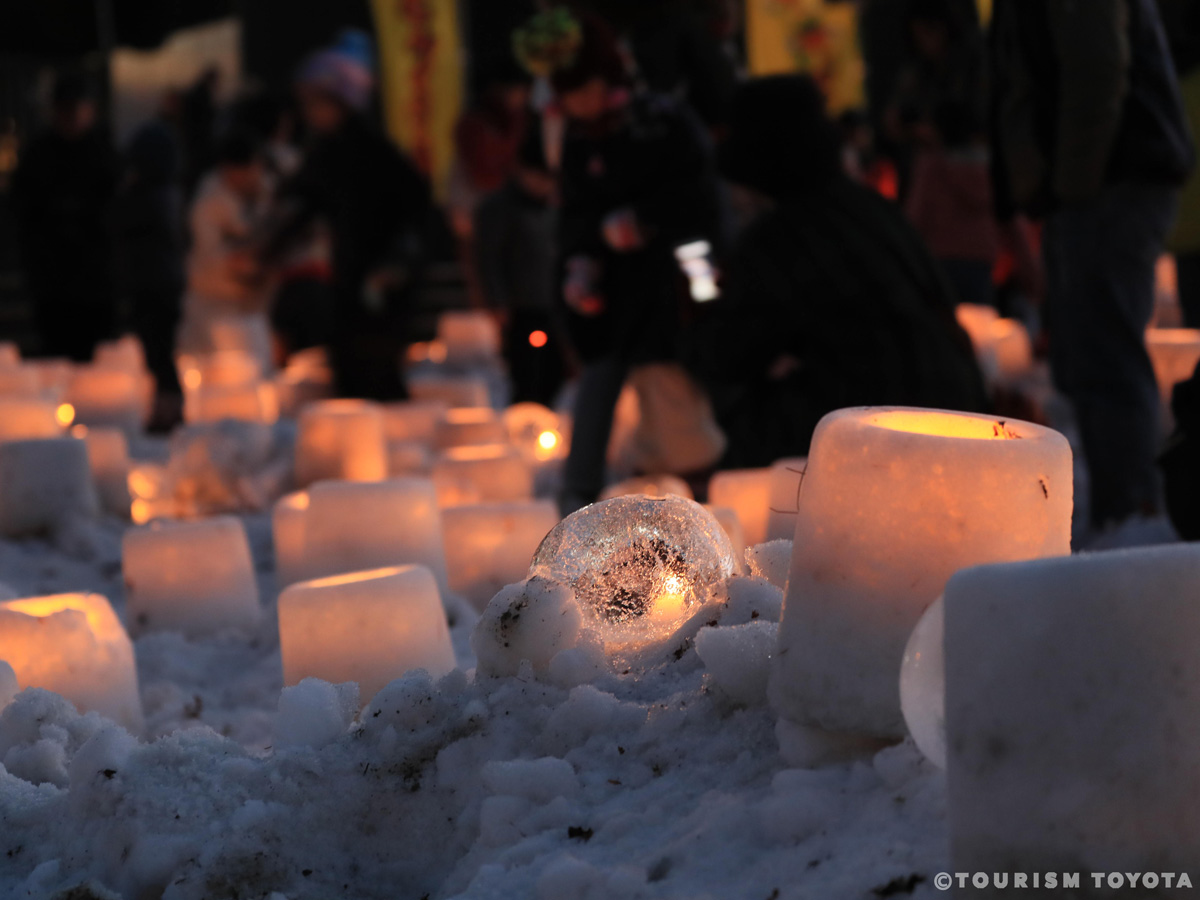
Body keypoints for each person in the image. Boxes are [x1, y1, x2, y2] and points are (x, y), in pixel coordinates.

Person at [689, 75, 989, 468]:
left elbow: (728, 353)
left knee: (738, 420)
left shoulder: (782, 235)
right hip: (962, 408)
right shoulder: (874, 209)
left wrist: (696, 304)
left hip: (872, 427)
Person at [991, 0, 1195, 530]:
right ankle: (1123, 511)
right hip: (1097, 182)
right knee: (1091, 357)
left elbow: (1097, 67)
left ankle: (1130, 517)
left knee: (1104, 357)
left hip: (1108, 182)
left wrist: (1070, 184)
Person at [514, 9, 724, 511]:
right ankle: (579, 499)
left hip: (669, 291)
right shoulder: (577, 139)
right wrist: (581, 262)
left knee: (670, 395)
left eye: (583, 87)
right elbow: (575, 214)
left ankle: (683, 501)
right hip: (609, 298)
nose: (577, 103)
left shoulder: (662, 123)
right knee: (598, 386)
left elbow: (699, 203)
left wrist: (647, 221)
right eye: (568, 93)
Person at [265, 33, 432, 400]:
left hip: (383, 281)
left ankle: (390, 446)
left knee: (375, 367)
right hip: (349, 277)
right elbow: (304, 204)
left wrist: (397, 261)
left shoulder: (375, 153)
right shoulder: (327, 151)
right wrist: (268, 251)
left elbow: (416, 211)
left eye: (317, 103)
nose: (310, 113)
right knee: (351, 367)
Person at [886, 0, 996, 307]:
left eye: (930, 32)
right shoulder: (919, 72)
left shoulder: (973, 71)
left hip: (947, 226)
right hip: (962, 237)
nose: (925, 42)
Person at [11, 72, 117, 361]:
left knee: (96, 360)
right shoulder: (38, 156)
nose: (72, 117)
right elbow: (23, 212)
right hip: (53, 280)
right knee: (56, 354)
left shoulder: (103, 153)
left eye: (78, 109)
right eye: (66, 109)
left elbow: (115, 210)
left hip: (95, 279)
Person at [473, 124, 565, 406]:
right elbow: (489, 256)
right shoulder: (500, 207)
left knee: (554, 372)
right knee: (527, 373)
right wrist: (497, 300)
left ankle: (545, 427)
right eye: (539, 176)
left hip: (554, 304)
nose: (545, 184)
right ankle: (527, 425)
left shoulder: (554, 205)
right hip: (521, 307)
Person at [178, 132, 275, 372]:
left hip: (253, 305)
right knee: (214, 375)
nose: (246, 176)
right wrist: (243, 260)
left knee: (256, 374)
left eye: (252, 168)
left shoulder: (268, 192)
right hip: (212, 303)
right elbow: (210, 256)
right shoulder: (208, 201)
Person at [112, 121, 186, 428]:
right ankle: (165, 406)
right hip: (163, 283)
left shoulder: (147, 196)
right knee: (159, 352)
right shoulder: (167, 194)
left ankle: (168, 409)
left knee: (159, 352)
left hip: (152, 285)